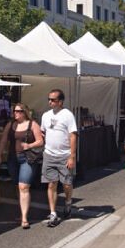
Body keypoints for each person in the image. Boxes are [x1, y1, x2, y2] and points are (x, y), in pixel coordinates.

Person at [0, 103, 43, 229]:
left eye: (18, 111)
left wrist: (29, 146)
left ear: (24, 112)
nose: (15, 113)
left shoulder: (32, 124)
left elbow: (40, 141)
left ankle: (24, 218)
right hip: (13, 159)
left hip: (27, 158)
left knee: (24, 186)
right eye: (14, 111)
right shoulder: (10, 125)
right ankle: (22, 211)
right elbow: (4, 140)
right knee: (18, 186)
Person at [41, 89, 77, 227]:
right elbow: (44, 132)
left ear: (60, 101)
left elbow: (73, 135)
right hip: (49, 155)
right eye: (49, 99)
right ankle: (53, 212)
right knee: (51, 184)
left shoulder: (67, 115)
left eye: (53, 99)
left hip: (64, 155)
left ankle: (68, 202)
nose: (50, 102)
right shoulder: (45, 115)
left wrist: (72, 156)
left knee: (67, 184)